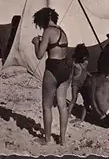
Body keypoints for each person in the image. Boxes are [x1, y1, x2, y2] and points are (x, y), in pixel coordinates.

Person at [32, 8, 72, 145]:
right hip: (66, 68)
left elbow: (39, 55)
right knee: (62, 104)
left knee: (47, 105)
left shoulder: (48, 31)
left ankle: (47, 138)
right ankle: (63, 139)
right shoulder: (62, 31)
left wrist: (36, 43)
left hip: (53, 67)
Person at [67, 44, 92, 122]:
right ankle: (68, 114)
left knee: (86, 101)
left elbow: (85, 71)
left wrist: (91, 75)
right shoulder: (75, 64)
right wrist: (68, 82)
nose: (85, 58)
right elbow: (71, 74)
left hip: (83, 83)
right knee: (74, 98)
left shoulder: (85, 62)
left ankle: (82, 119)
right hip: (75, 83)